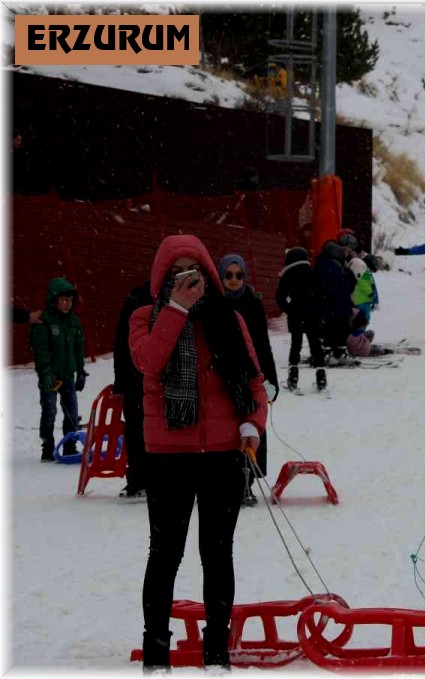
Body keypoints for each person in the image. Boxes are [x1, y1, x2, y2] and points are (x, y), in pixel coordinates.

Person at [129, 234, 268, 671]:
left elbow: (253, 380)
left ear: (208, 275)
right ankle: (156, 653)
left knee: (218, 551)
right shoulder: (144, 317)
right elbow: (148, 363)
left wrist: (253, 423)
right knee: (165, 553)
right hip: (169, 454)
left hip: (224, 453)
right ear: (164, 279)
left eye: (194, 270)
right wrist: (175, 310)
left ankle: (217, 652)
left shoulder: (228, 318)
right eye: (176, 272)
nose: (187, 279)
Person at [219, 254, 278, 504]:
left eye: (238, 275)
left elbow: (263, 345)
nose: (233, 280)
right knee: (225, 429)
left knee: (251, 426)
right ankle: (224, 482)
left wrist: (270, 378)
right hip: (221, 374)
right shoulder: (213, 302)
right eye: (228, 275)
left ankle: (247, 482)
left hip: (250, 375)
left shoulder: (252, 303)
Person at [30, 277, 85, 462]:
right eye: (63, 300)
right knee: (50, 412)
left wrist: (81, 371)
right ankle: (48, 446)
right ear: (54, 299)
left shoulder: (74, 322)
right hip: (50, 377)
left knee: (71, 411)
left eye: (70, 300)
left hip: (68, 376)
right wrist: (45, 373)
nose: (67, 304)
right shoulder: (44, 322)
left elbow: (79, 347)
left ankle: (70, 445)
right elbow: (41, 350)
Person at [113, 280, 153, 497]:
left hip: (159, 379)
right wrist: (121, 380)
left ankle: (158, 478)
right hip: (134, 378)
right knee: (136, 430)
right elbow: (121, 343)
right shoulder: (136, 301)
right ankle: (137, 479)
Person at [277, 246, 326, 393]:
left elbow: (280, 297)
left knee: (295, 345)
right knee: (315, 345)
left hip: (296, 314)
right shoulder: (313, 273)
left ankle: (293, 376)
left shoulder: (288, 274)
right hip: (312, 314)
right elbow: (322, 294)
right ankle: (321, 376)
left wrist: (289, 308)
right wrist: (317, 308)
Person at [314, 241, 353, 364]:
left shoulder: (337, 266)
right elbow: (326, 286)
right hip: (331, 304)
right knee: (330, 330)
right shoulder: (326, 266)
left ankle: (339, 351)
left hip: (337, 304)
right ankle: (328, 352)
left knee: (340, 329)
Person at [349, 257, 377, 323]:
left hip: (361, 298)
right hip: (362, 299)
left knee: (362, 316)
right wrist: (371, 293)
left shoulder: (362, 270)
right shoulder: (365, 272)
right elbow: (363, 283)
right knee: (363, 317)